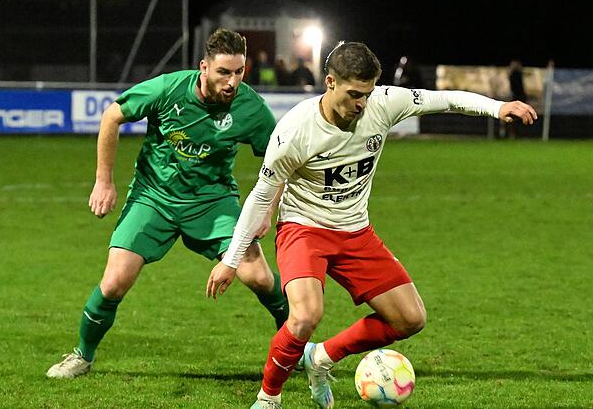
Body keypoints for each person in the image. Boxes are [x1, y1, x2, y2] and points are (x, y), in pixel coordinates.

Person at [206, 41, 537, 408]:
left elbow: (444, 99)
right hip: (304, 228)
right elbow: (260, 196)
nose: (362, 103)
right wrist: (232, 260)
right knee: (305, 316)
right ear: (330, 82)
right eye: (354, 94)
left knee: (410, 318)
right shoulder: (295, 131)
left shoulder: (383, 102)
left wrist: (498, 107)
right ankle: (269, 398)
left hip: (356, 231)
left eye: (367, 93)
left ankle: (320, 357)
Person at [46, 28, 289, 379]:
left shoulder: (250, 108)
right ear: (204, 67)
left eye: (239, 72)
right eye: (224, 72)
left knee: (260, 277)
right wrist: (103, 180)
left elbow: (280, 159)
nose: (232, 81)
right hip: (153, 198)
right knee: (114, 282)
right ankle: (82, 356)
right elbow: (112, 115)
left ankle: (297, 347)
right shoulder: (168, 88)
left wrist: (267, 208)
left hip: (212, 201)